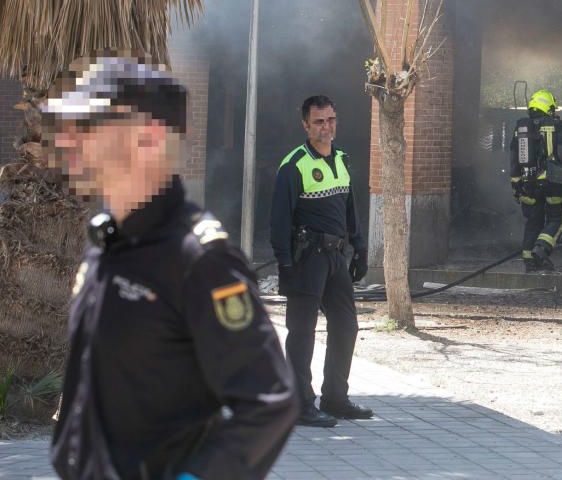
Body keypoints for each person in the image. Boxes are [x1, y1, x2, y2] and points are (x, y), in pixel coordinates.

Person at [43, 54, 298, 480]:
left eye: (87, 126)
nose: (68, 140)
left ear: (149, 138)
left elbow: (269, 402)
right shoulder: (106, 242)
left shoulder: (199, 260)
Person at [270, 95, 371, 427]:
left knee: (346, 326)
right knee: (302, 332)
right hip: (306, 258)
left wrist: (360, 247)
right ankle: (300, 404)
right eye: (318, 121)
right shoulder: (294, 164)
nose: (326, 127)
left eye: (330, 120)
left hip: (336, 258)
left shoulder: (341, 159)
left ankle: (335, 399)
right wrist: (285, 263)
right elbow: (279, 220)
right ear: (305, 125)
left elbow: (350, 209)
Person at [509, 89, 562, 272]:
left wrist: (516, 184)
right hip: (553, 183)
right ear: (547, 106)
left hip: (528, 184)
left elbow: (514, 157)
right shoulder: (555, 124)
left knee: (534, 220)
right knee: (557, 217)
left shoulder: (521, 127)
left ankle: (529, 260)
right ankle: (541, 249)